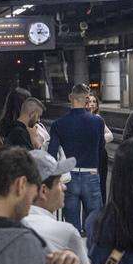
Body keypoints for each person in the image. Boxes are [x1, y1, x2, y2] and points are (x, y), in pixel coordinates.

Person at [48, 84, 106, 235]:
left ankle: (75, 256)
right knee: (94, 227)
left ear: (70, 97)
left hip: (69, 177)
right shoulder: (98, 122)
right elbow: (101, 148)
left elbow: (52, 154)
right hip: (91, 175)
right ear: (87, 99)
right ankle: (92, 256)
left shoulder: (58, 124)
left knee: (72, 229)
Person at [85, 93, 113, 201]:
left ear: (97, 105)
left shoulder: (98, 118)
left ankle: (101, 210)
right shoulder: (82, 119)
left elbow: (110, 135)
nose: (91, 104)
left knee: (101, 183)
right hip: (89, 157)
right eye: (89, 102)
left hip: (101, 155)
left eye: (94, 102)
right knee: (90, 184)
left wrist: (97, 140)